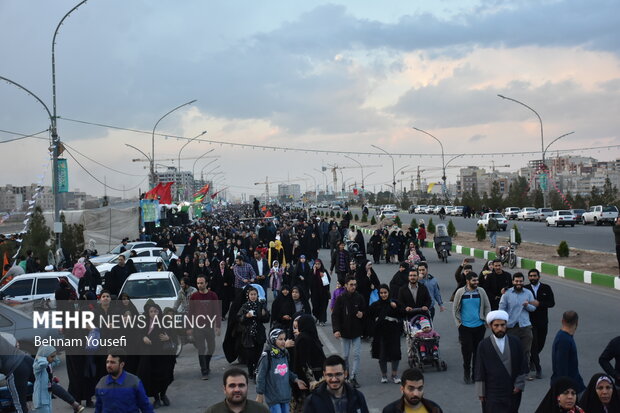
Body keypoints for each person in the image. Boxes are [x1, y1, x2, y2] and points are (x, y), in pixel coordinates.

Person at [475, 310, 527, 413]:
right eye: (496, 325)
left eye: (503, 325)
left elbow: (523, 364)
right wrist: (480, 391)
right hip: (492, 391)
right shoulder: (484, 345)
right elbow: (479, 368)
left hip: (511, 389)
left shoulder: (515, 342)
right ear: (490, 326)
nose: (500, 328)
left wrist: (519, 384)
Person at [452, 272, 491, 384]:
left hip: (479, 326)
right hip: (465, 327)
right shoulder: (460, 292)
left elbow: (487, 306)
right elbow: (455, 308)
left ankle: (475, 374)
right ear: (468, 281)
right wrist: (459, 323)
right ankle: (466, 372)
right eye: (474, 280)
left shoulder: (481, 291)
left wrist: (486, 319)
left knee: (477, 351)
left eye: (477, 280)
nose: (476, 282)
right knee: (467, 351)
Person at [256, 329, 307, 413]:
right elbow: (261, 376)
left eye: (284, 339)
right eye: (280, 339)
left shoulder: (284, 353)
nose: (283, 341)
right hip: (273, 397)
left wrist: (296, 380)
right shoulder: (267, 356)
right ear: (273, 340)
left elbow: (286, 371)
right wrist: (259, 394)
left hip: (285, 395)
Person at [137, 300, 175, 408]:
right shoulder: (144, 323)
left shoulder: (165, 321)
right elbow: (138, 333)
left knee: (166, 376)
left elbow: (175, 334)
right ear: (148, 313)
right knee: (152, 377)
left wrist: (169, 337)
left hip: (165, 354)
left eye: (156, 311)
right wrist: (143, 337)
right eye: (151, 312)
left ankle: (163, 395)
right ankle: (156, 398)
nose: (154, 313)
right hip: (151, 354)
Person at [302, 355, 369, 413]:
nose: (334, 379)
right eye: (330, 375)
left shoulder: (358, 397)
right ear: (324, 375)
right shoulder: (312, 401)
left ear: (345, 374)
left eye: (338, 374)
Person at [499, 272, 538, 371]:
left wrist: (527, 305)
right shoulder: (506, 294)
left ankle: (525, 371)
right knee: (512, 350)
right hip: (511, 327)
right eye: (516, 281)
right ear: (513, 282)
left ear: (523, 282)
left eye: (520, 281)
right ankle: (512, 370)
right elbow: (501, 309)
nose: (518, 283)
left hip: (525, 326)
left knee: (526, 351)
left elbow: (533, 308)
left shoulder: (528, 293)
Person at [331, 276, 365, 388]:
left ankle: (353, 377)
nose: (353, 287)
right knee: (345, 356)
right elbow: (335, 315)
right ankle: (346, 375)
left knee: (357, 355)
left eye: (355, 284)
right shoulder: (340, 298)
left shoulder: (359, 297)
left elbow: (365, 310)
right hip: (344, 332)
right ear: (345, 285)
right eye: (351, 284)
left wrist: (362, 314)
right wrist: (336, 330)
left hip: (356, 332)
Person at [188, 275, 221, 380]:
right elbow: (190, 313)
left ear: (206, 283)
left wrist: (218, 326)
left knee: (211, 347)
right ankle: (204, 371)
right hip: (198, 327)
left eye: (201, 283)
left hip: (209, 326)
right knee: (201, 348)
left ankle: (206, 363)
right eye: (198, 283)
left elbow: (217, 311)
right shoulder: (194, 296)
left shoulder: (213, 295)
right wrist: (189, 327)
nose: (199, 285)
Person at [525, 268, 556, 380]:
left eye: (534, 276)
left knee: (541, 344)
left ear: (539, 277)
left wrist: (539, 304)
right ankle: (538, 368)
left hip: (543, 321)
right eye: (531, 276)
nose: (533, 278)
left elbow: (551, 303)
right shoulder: (525, 289)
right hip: (530, 322)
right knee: (534, 344)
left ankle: (533, 359)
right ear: (528, 278)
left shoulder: (546, 288)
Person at [368, 284, 403, 384]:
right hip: (381, 333)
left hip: (394, 332)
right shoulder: (375, 305)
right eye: (381, 293)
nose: (383, 295)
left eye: (385, 293)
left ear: (389, 293)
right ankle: (384, 375)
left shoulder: (395, 303)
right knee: (382, 354)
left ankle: (394, 375)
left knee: (395, 354)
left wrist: (396, 308)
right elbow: (369, 317)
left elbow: (402, 314)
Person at [238, 286, 271, 380]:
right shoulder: (245, 306)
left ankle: (257, 371)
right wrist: (246, 316)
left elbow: (266, 319)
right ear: (248, 295)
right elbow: (239, 319)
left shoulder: (260, 305)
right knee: (249, 355)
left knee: (258, 354)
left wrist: (265, 314)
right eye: (251, 294)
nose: (253, 296)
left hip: (259, 332)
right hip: (248, 333)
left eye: (255, 294)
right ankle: (250, 371)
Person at [551, 311, 586, 394]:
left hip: (574, 384)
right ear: (577, 322)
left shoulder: (564, 337)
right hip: (570, 387)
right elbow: (561, 367)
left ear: (562, 321)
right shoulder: (564, 340)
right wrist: (565, 391)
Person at [32, 345, 58, 413]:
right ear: (44, 356)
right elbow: (43, 364)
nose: (54, 359)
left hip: (47, 396)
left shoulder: (49, 365)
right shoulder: (37, 365)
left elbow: (57, 361)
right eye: (52, 356)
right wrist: (40, 357)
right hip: (40, 400)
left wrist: (52, 379)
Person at [309, 259, 331, 326]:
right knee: (315, 306)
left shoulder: (324, 271)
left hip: (323, 293)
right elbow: (309, 281)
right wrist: (314, 273)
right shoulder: (312, 272)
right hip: (315, 293)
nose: (317, 265)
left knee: (323, 306)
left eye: (318, 264)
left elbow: (328, 281)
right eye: (316, 264)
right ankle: (316, 317)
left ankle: (322, 320)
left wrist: (324, 276)